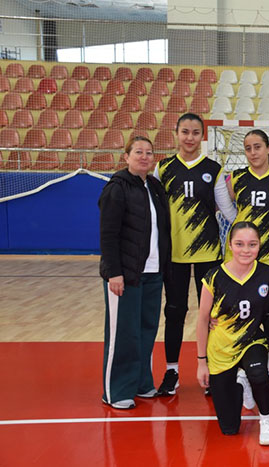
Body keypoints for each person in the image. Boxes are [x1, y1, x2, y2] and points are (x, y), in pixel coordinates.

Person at [154, 113, 237, 396]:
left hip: (208, 253)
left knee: (213, 314)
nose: (190, 137)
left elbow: (228, 211)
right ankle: (172, 371)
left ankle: (213, 370)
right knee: (174, 311)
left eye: (195, 132)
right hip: (174, 254)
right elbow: (155, 210)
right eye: (185, 131)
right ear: (176, 133)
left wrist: (251, 227)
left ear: (203, 136)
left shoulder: (213, 168)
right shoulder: (163, 168)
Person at [98, 136, 171, 409]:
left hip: (153, 272)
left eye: (149, 153)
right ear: (126, 156)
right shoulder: (117, 188)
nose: (144, 157)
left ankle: (141, 383)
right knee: (124, 334)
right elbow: (108, 234)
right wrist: (114, 272)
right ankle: (116, 391)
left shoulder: (154, 187)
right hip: (125, 275)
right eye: (138, 152)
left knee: (146, 331)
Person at [195, 222, 269, 444]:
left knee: (259, 373)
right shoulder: (214, 277)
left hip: (251, 340)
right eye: (239, 244)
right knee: (229, 428)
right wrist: (201, 362)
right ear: (230, 245)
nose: (246, 250)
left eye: (252, 244)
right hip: (220, 349)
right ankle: (242, 384)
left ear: (259, 245)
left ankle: (266, 419)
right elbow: (202, 320)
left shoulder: (268, 274)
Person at [226, 129, 269, 393]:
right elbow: (224, 205)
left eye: (257, 147)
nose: (253, 153)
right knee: (241, 313)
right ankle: (242, 367)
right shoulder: (237, 177)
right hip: (241, 258)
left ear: (268, 148)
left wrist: (266, 229)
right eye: (248, 148)